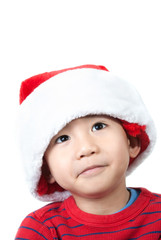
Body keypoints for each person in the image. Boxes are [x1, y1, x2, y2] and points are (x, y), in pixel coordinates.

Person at [15, 65, 161, 239]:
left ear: (132, 142)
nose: (86, 148)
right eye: (62, 139)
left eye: (98, 126)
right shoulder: (42, 229)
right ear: (46, 170)